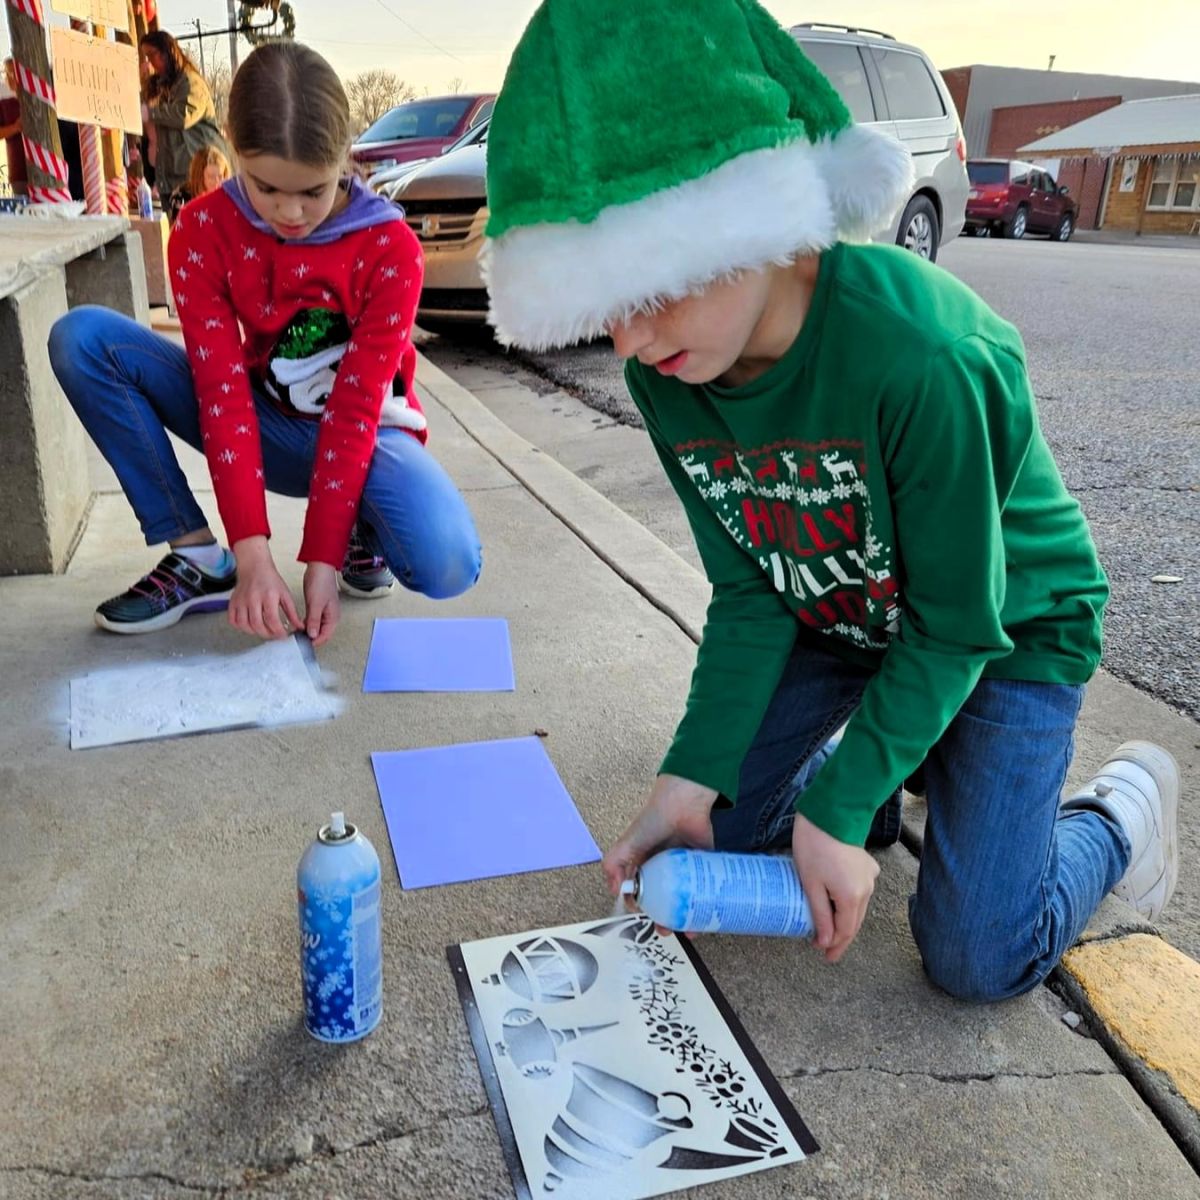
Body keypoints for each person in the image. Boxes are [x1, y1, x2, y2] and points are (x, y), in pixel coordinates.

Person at [481, 0, 1180, 1001]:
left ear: (751, 222)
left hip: (1002, 630)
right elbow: (751, 589)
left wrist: (841, 809)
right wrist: (694, 771)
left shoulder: (926, 356)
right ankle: (895, 758)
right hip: (840, 614)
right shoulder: (669, 368)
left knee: (977, 958)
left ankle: (1114, 815)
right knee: (720, 837)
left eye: (650, 288)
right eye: (602, 306)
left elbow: (952, 627)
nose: (627, 346)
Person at [48, 41, 481, 644]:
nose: (291, 213)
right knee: (83, 338)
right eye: (266, 188)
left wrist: (321, 563)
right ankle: (200, 558)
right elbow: (221, 394)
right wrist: (253, 557)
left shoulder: (390, 250)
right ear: (230, 145)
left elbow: (355, 411)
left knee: (449, 560)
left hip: (368, 434)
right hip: (267, 419)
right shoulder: (201, 231)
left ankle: (362, 523)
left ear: (343, 159)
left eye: (314, 190)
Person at [139, 30, 230, 211]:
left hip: (198, 176)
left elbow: (184, 116)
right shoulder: (165, 87)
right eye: (145, 57)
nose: (149, 63)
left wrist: (152, 113)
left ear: (167, 53)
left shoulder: (191, 82)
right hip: (174, 176)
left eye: (151, 56)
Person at [167, 144, 232, 224]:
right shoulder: (180, 198)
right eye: (211, 177)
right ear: (199, 177)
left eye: (220, 176)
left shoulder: (228, 196)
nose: (217, 181)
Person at [0, 58, 28, 197]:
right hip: (19, 172)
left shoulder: (38, 97)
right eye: (6, 73)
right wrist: (16, 127)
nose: (10, 77)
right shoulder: (4, 102)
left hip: (45, 170)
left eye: (14, 73)